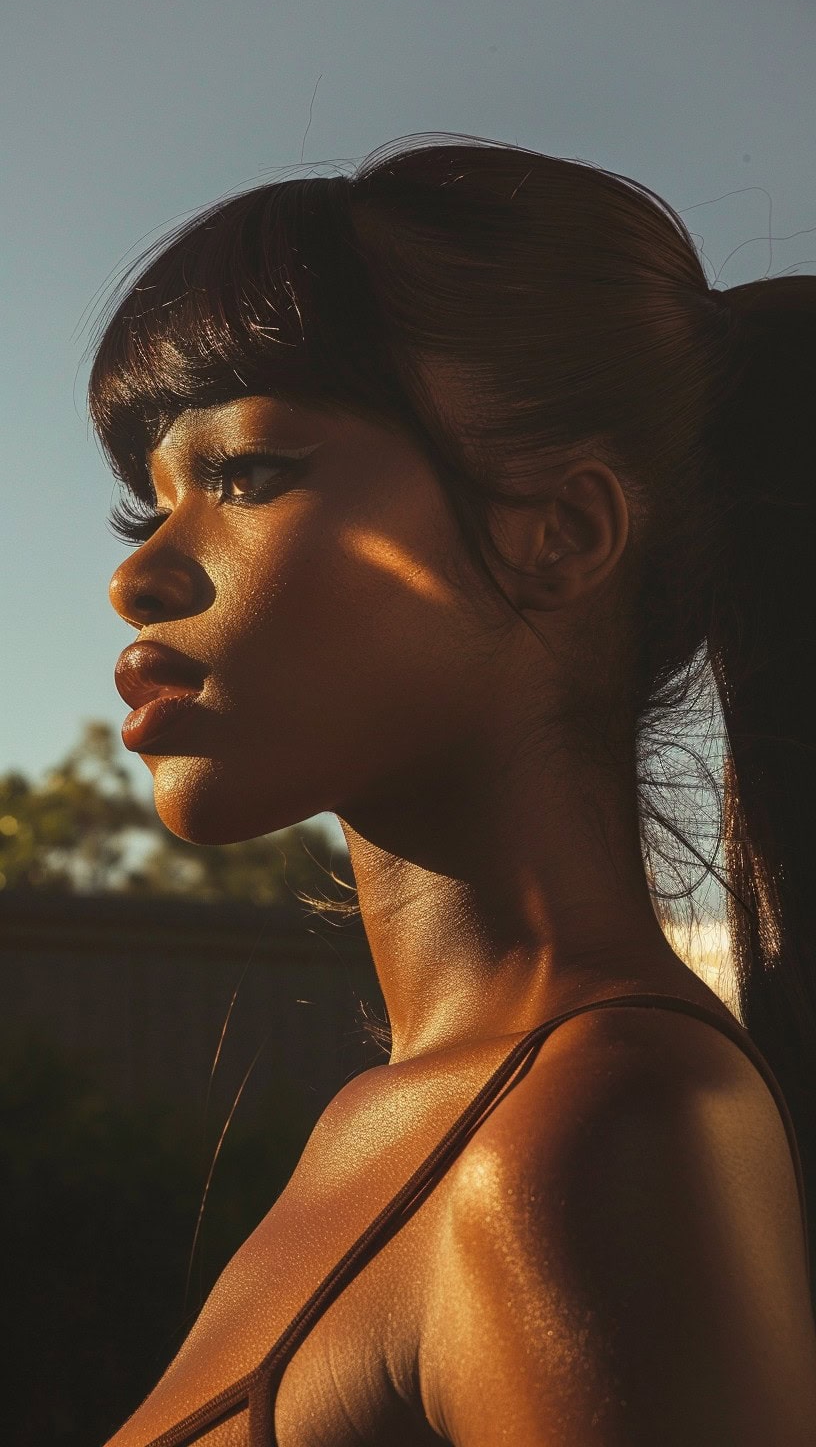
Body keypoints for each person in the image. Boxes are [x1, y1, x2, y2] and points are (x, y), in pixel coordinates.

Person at [92, 133, 816, 1444]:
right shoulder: (408, 1117)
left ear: (567, 534)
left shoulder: (596, 1132)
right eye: (147, 507)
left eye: (248, 474)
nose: (138, 579)